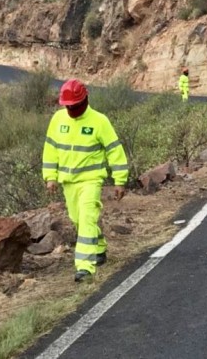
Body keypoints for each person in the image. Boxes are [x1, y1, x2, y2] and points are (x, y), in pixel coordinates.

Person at [42, 79, 129, 283]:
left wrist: (120, 181)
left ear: (85, 100)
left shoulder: (99, 121)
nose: (71, 109)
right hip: (68, 182)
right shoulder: (58, 120)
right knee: (78, 220)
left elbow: (114, 151)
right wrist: (50, 176)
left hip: (91, 180)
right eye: (68, 106)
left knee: (87, 218)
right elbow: (50, 150)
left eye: (74, 105)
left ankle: (84, 266)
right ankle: (99, 248)